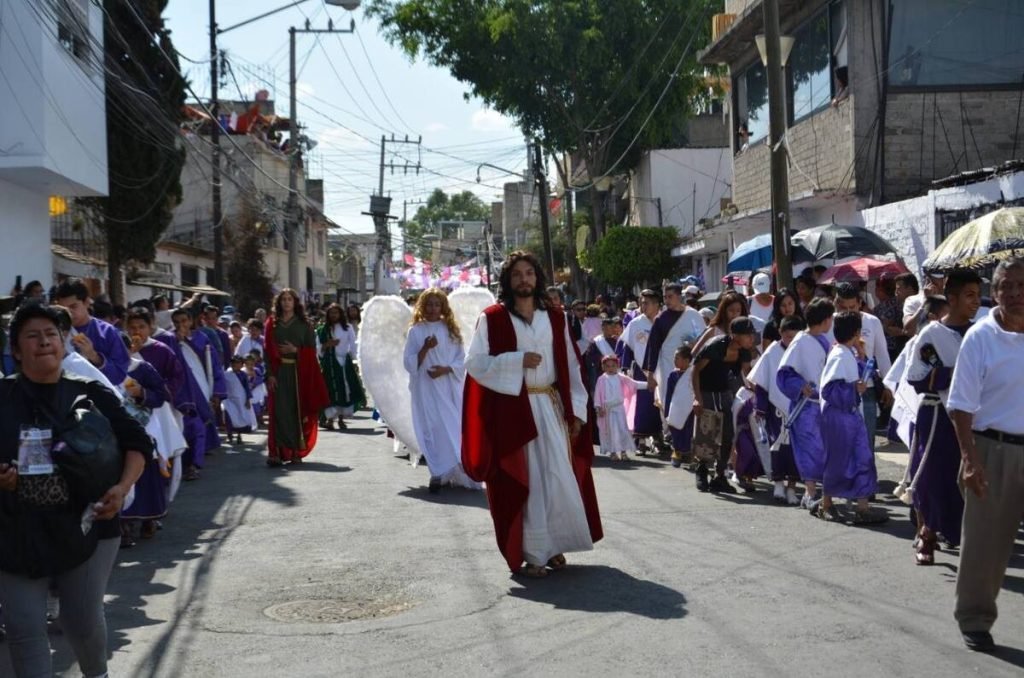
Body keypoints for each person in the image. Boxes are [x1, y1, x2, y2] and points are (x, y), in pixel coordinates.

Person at [0, 302, 151, 678]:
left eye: (52, 334)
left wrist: (121, 487)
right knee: (24, 629)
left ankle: (97, 674)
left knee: (81, 620)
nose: (44, 342)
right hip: (15, 527)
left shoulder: (91, 392)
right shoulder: (2, 397)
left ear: (64, 342)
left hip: (89, 522)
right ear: (16, 350)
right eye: (32, 336)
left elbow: (138, 442)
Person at [462, 251, 602, 578]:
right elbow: (475, 364)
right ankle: (533, 552)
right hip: (515, 409)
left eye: (529, 273)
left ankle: (554, 547)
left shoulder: (554, 317)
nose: (524, 279)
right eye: (517, 275)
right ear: (508, 282)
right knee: (528, 481)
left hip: (550, 407)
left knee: (556, 478)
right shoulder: (492, 318)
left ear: (537, 278)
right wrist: (515, 361)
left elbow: (570, 365)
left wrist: (577, 412)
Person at [947, 258, 1024, 652]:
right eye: (1006, 286)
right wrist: (969, 457)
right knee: (985, 544)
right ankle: (975, 618)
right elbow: (961, 404)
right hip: (992, 449)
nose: (1014, 294)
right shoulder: (981, 336)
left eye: (1021, 285)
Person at [905, 274, 980, 565]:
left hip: (976, 416)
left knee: (972, 478)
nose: (975, 301)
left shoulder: (981, 333)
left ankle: (970, 538)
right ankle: (928, 532)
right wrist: (954, 373)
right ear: (952, 299)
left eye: (978, 295)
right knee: (937, 476)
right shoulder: (932, 334)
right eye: (969, 295)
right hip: (937, 414)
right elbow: (917, 377)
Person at [403, 289, 479, 492]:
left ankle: (460, 467)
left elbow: (462, 358)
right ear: (422, 306)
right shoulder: (416, 331)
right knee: (432, 428)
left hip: (447, 386)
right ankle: (437, 472)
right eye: (429, 304)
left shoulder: (450, 329)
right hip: (425, 388)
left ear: (443, 307)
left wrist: (446, 369)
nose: (433, 309)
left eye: (437, 305)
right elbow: (408, 362)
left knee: (453, 425)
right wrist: (425, 348)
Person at [817, 311, 888, 525]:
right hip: (838, 416)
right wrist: (853, 388)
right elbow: (829, 390)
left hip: (849, 414)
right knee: (838, 459)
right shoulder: (839, 355)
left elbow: (859, 371)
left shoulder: (845, 352)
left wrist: (861, 352)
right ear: (856, 332)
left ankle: (862, 507)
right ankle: (826, 503)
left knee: (862, 457)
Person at [777, 298, 835, 510]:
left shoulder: (824, 340)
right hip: (806, 406)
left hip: (823, 404)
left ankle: (817, 492)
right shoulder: (801, 341)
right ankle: (810, 493)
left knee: (823, 449)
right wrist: (800, 385)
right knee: (809, 449)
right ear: (826, 319)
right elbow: (784, 372)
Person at [690, 316, 756, 493]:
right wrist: (697, 398)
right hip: (705, 391)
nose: (752, 338)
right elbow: (695, 372)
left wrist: (756, 390)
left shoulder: (744, 351)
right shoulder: (716, 345)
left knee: (729, 433)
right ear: (735, 335)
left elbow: (747, 374)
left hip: (725, 392)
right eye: (747, 335)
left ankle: (720, 476)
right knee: (707, 433)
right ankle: (702, 471)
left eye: (752, 334)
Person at [264, 289, 329, 467]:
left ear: (295, 303)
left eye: (289, 299)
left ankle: (294, 451)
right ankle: (276, 453)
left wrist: (296, 351)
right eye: (283, 299)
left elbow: (311, 351)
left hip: (298, 373)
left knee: (295, 412)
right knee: (278, 412)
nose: (286, 302)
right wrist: (269, 374)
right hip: (278, 373)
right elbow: (267, 351)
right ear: (279, 303)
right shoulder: (272, 324)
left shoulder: (304, 324)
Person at [750, 315, 805, 504]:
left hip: (800, 408)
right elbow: (762, 382)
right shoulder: (772, 351)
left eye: (796, 337)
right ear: (781, 333)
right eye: (789, 337)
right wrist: (760, 408)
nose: (792, 341)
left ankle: (792, 488)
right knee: (777, 447)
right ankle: (778, 483)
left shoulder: (804, 350)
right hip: (776, 410)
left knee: (796, 449)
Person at [831, 283, 891, 452]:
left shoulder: (872, 322)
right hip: (841, 390)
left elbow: (882, 355)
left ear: (860, 303)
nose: (849, 312)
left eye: (853, 307)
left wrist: (888, 386)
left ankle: (868, 476)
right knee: (844, 440)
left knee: (867, 436)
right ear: (837, 304)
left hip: (868, 389)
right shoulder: (831, 322)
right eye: (844, 308)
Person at [168, 308, 226, 480]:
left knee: (198, 428)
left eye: (184, 321)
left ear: (191, 321)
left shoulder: (202, 339)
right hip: (180, 393)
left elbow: (213, 365)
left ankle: (194, 465)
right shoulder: (169, 340)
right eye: (177, 322)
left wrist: (216, 391)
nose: (181, 325)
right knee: (184, 428)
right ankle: (181, 465)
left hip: (200, 391)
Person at [643, 283, 707, 415]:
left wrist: (694, 344)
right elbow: (653, 347)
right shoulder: (661, 319)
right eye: (665, 297)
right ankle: (670, 431)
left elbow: (702, 338)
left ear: (679, 296)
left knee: (690, 398)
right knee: (669, 399)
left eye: (670, 297)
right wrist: (650, 375)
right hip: (667, 365)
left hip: (691, 365)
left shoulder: (693, 316)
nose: (666, 301)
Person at [54, 278, 131, 386]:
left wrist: (94, 356)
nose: (69, 313)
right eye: (64, 308)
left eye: (73, 307)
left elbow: (119, 376)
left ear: (86, 302)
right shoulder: (54, 332)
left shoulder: (107, 332)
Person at [617, 289, 664, 455]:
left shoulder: (664, 321)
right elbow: (627, 346)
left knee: (659, 405)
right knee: (642, 405)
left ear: (657, 304)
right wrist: (624, 367)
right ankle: (641, 440)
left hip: (662, 368)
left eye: (647, 303)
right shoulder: (635, 323)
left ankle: (658, 438)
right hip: (640, 369)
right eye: (641, 302)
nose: (643, 306)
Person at [317, 303, 366, 430]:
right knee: (331, 389)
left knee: (345, 389)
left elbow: (353, 346)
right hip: (330, 364)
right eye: (331, 313)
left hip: (345, 363)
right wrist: (327, 345)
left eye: (336, 312)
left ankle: (341, 419)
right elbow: (318, 349)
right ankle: (330, 419)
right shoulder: (323, 329)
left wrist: (357, 361)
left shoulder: (347, 328)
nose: (334, 315)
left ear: (340, 314)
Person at [593, 354, 648, 461]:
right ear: (603, 367)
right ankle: (613, 452)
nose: (610, 368)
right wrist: (598, 407)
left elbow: (634, 384)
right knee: (610, 431)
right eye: (607, 366)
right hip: (607, 409)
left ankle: (623, 452)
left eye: (613, 366)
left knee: (622, 429)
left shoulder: (621, 378)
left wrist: (648, 385)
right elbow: (597, 394)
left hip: (619, 408)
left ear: (617, 366)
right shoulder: (601, 379)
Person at [664, 344, 695, 467]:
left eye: (677, 358)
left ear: (687, 360)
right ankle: (676, 451)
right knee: (676, 430)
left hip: (689, 408)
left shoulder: (693, 373)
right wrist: (667, 410)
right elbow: (669, 393)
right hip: (676, 407)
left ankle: (688, 453)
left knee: (689, 430)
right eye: (674, 358)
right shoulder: (673, 375)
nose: (674, 360)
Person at [223, 355, 258, 446]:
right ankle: (229, 436)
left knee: (240, 417)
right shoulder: (226, 374)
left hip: (241, 399)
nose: (236, 365)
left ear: (242, 365)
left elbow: (247, 388)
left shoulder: (243, 375)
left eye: (238, 363)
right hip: (229, 400)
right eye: (234, 363)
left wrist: (247, 399)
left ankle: (239, 435)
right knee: (229, 417)